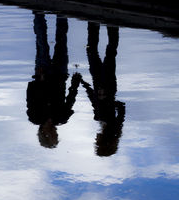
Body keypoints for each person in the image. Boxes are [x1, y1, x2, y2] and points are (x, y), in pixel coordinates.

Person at [26, 12, 81, 148]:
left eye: (54, 136)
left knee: (42, 42)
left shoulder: (35, 117)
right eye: (56, 136)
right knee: (61, 41)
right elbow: (70, 99)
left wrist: (39, 80)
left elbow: (30, 95)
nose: (56, 133)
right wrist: (75, 82)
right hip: (60, 75)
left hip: (42, 74)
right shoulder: (62, 118)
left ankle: (38, 13)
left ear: (45, 134)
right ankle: (62, 13)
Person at [81, 22, 125, 156]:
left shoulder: (107, 123)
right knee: (106, 52)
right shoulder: (110, 123)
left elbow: (94, 100)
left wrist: (84, 84)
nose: (95, 139)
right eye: (97, 142)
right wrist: (108, 98)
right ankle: (109, 26)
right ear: (102, 141)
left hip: (99, 82)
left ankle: (101, 25)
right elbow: (121, 107)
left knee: (97, 51)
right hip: (107, 83)